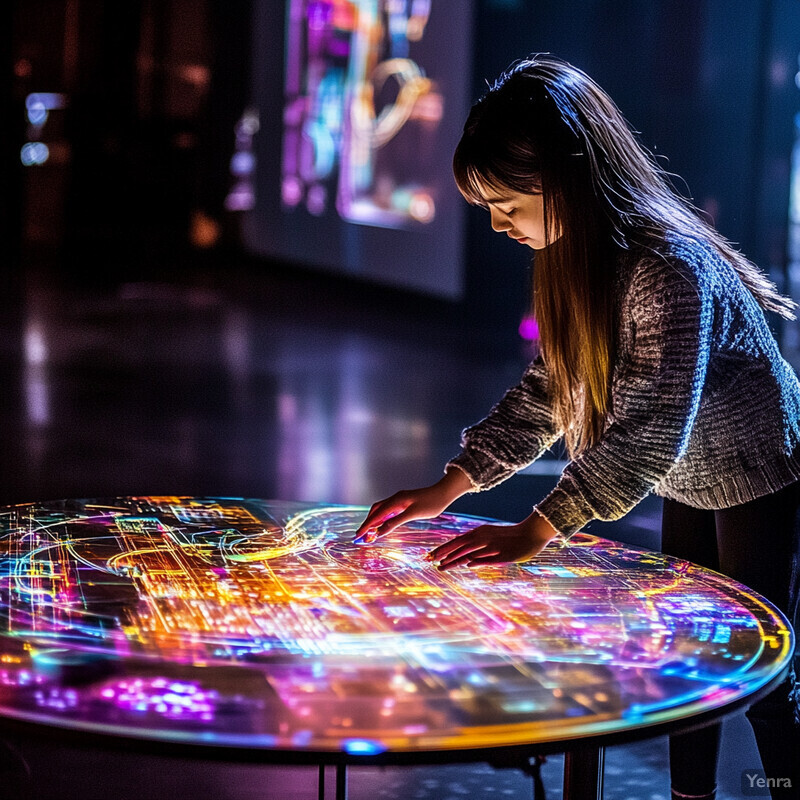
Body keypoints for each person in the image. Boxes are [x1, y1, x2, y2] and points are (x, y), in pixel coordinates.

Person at [353, 55, 800, 800]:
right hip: (686, 469)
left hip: (757, 468)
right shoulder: (574, 256)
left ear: (567, 178)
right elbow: (548, 391)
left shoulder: (670, 268)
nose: (499, 226)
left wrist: (539, 527)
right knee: (696, 655)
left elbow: (650, 426)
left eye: (507, 206)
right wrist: (451, 485)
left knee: (761, 671)